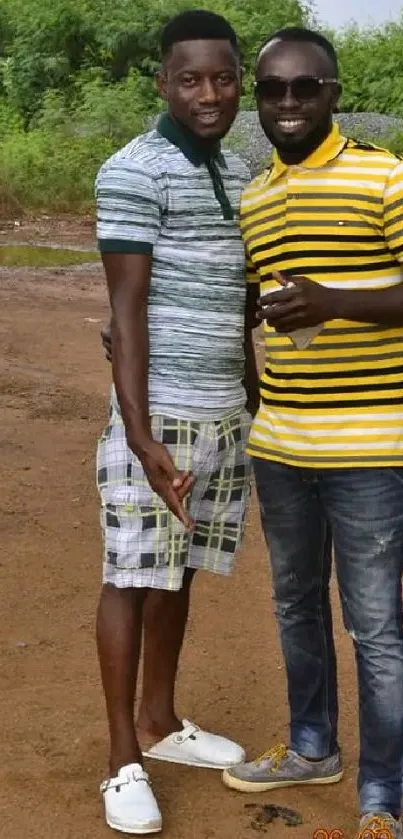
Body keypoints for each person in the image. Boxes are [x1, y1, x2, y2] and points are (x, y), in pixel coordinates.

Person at [221, 26, 403, 839]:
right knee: (294, 605)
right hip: (282, 448)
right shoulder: (255, 196)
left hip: (371, 448)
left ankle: (383, 795)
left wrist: (337, 302)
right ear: (256, 101)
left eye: (304, 87)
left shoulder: (385, 177)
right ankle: (309, 746)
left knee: (375, 626)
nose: (287, 103)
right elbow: (255, 310)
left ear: (332, 91)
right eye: (272, 91)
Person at [94, 9, 260, 835]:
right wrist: (140, 434)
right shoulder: (134, 170)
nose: (208, 92)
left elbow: (238, 299)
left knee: (180, 569)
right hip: (156, 417)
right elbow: (126, 314)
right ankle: (123, 756)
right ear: (160, 80)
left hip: (223, 416)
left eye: (223, 77)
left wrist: (252, 393)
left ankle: (162, 722)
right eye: (190, 77)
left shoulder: (235, 167)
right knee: (131, 574)